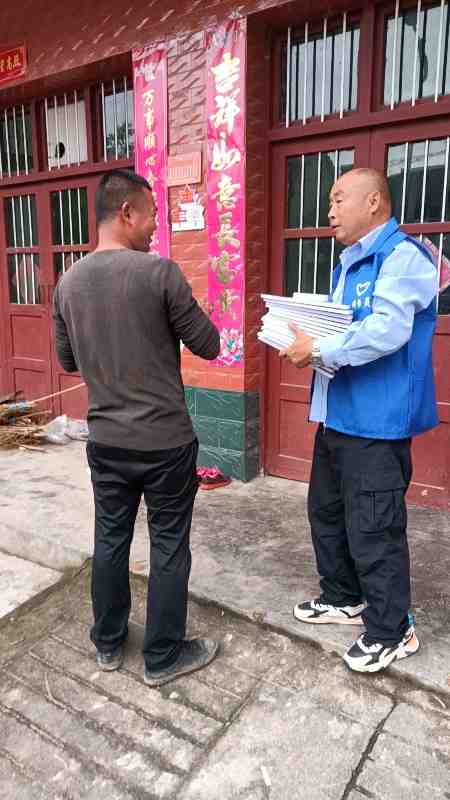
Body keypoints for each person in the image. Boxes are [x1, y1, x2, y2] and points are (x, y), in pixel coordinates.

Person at [53, 169, 221, 687]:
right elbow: (210, 344)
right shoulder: (160, 274)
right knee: (168, 544)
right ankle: (163, 657)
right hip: (165, 444)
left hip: (106, 441)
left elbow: (67, 360)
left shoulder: (68, 283)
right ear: (126, 212)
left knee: (110, 539)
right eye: (151, 215)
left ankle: (107, 642)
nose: (155, 226)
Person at [281, 168, 438, 674]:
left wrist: (318, 348)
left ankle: (393, 631)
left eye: (337, 199)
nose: (329, 212)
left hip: (377, 424)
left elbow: (387, 329)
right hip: (337, 417)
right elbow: (342, 330)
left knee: (375, 528)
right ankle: (343, 596)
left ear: (373, 202)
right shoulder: (348, 263)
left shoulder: (404, 257)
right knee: (327, 513)